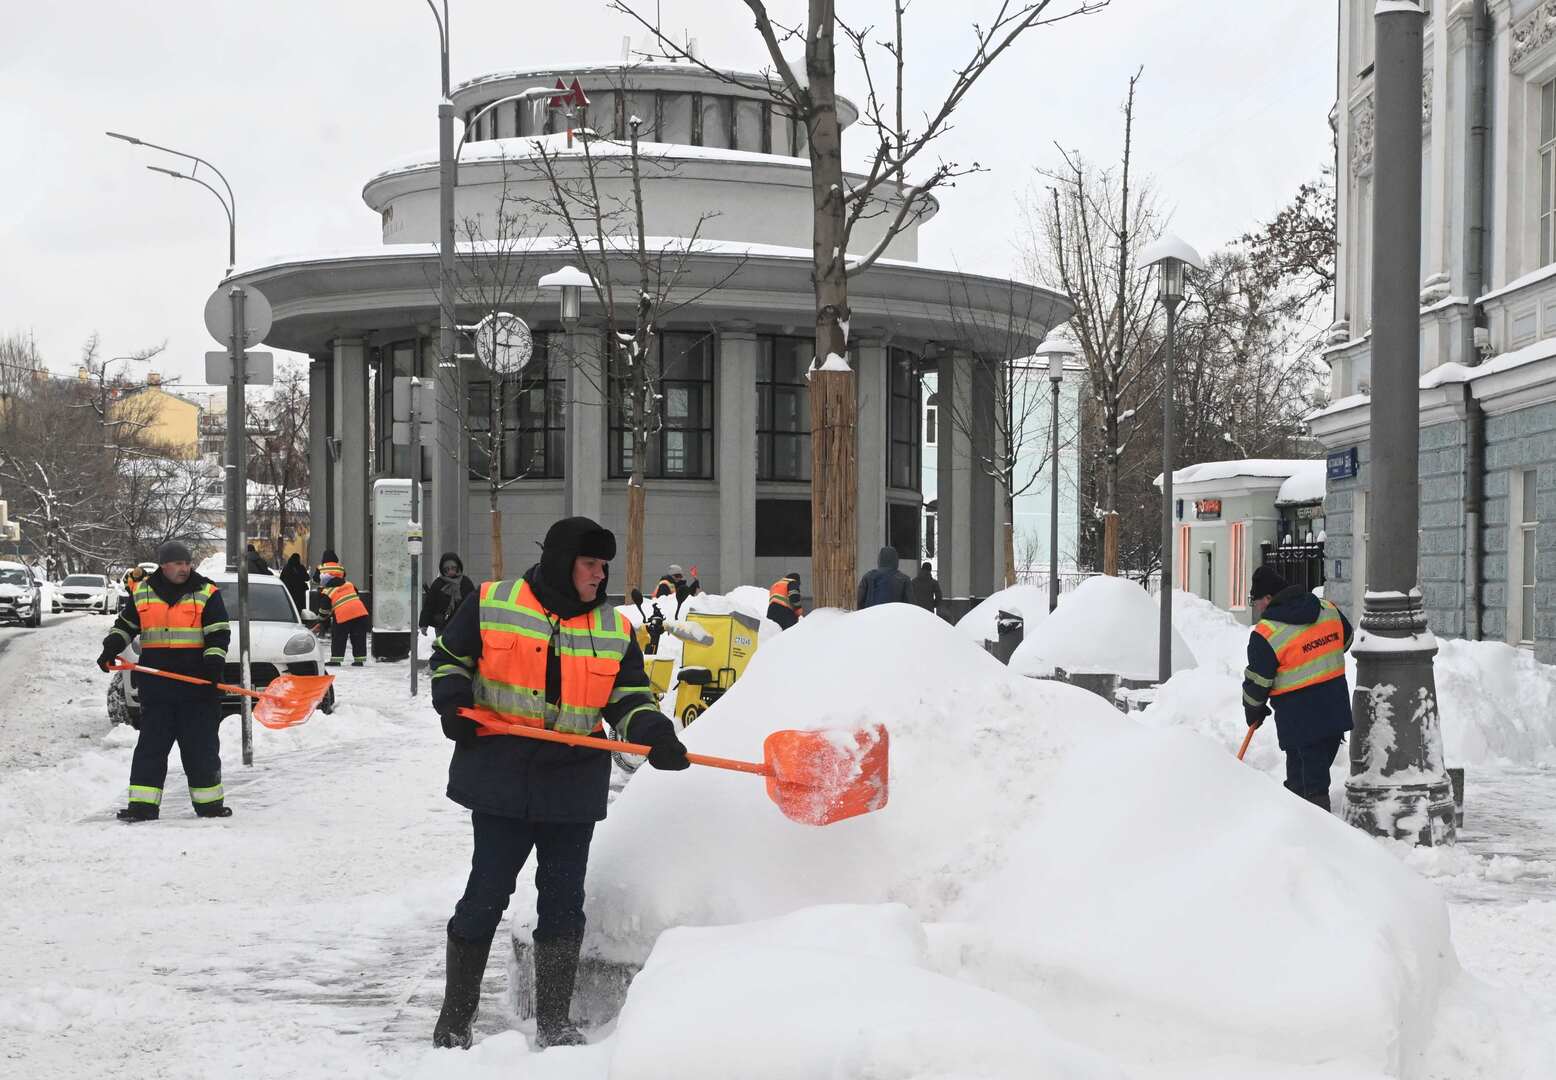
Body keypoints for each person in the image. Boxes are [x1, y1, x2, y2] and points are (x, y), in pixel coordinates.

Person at [428, 516, 689, 1051]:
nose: (600, 575)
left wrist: (654, 734)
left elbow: (628, 697)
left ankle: (554, 1023)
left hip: (571, 781)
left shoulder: (613, 628)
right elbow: (451, 658)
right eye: (590, 564)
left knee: (564, 903)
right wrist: (452, 703)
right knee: (485, 895)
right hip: (502, 773)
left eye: (604, 566)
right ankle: (454, 1020)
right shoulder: (494, 603)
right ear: (562, 562)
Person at [95, 541, 232, 822]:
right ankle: (142, 807)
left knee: (201, 748)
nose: (185, 568)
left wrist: (213, 665)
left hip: (197, 687)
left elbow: (218, 633)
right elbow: (125, 626)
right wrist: (110, 647)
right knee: (151, 748)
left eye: (187, 563)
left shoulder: (206, 592)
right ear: (164, 565)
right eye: (178, 563)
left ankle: (210, 806)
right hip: (157, 688)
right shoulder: (142, 592)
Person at [1242, 565, 1354, 812]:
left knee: (1309, 787)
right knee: (1308, 777)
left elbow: (1257, 683)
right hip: (1334, 710)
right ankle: (1299, 822)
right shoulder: (1327, 609)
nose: (1256, 608)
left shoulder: (1266, 633)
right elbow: (1346, 640)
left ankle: (1314, 830)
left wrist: (1253, 709)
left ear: (1268, 598)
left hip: (1300, 722)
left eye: (1255, 601)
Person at [318, 565, 370, 666]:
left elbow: (324, 610)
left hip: (343, 615)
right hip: (360, 612)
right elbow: (355, 594)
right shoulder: (349, 584)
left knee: (339, 637)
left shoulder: (327, 591)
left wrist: (321, 620)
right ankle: (359, 661)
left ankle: (336, 660)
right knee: (358, 637)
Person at [420, 552, 476, 637]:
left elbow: (473, 603)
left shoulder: (466, 582)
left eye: (453, 568)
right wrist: (424, 624)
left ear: (458, 567)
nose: (450, 571)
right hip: (442, 626)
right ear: (443, 570)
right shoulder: (438, 584)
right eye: (447, 569)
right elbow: (429, 604)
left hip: (462, 625)